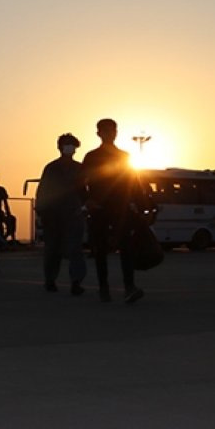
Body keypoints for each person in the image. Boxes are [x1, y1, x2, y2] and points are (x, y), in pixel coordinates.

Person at [82, 119, 147, 304]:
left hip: (121, 209)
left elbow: (133, 182)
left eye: (113, 130)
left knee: (126, 249)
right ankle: (104, 289)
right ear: (99, 133)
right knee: (100, 250)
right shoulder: (91, 157)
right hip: (99, 210)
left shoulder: (124, 156)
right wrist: (87, 200)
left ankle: (129, 288)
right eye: (106, 130)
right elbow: (80, 182)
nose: (110, 134)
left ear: (116, 132)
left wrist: (142, 206)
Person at [36, 133, 89, 295]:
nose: (69, 148)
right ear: (59, 147)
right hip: (52, 215)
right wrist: (41, 211)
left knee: (75, 250)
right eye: (66, 145)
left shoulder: (80, 169)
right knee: (52, 249)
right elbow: (43, 191)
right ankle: (50, 280)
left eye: (71, 145)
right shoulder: (51, 168)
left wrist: (85, 207)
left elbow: (85, 191)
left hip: (73, 214)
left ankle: (76, 282)